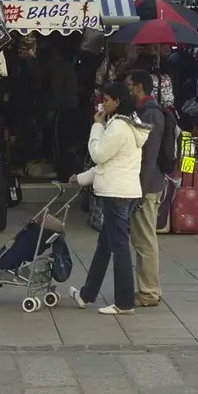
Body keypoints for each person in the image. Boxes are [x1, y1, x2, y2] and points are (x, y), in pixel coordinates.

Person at [68, 82, 150, 316]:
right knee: (105, 245)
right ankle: (87, 294)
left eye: (106, 99)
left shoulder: (118, 127)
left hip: (116, 193)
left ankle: (124, 302)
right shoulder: (130, 125)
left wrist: (96, 127)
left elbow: (98, 154)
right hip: (126, 190)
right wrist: (82, 178)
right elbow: (109, 164)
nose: (103, 103)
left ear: (117, 101)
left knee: (119, 247)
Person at [128, 70, 168, 308]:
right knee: (143, 240)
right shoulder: (146, 112)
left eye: (130, 85)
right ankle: (149, 289)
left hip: (148, 185)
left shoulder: (151, 114)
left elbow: (148, 157)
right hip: (148, 183)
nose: (129, 90)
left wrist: (139, 190)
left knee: (145, 241)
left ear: (140, 87)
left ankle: (149, 292)